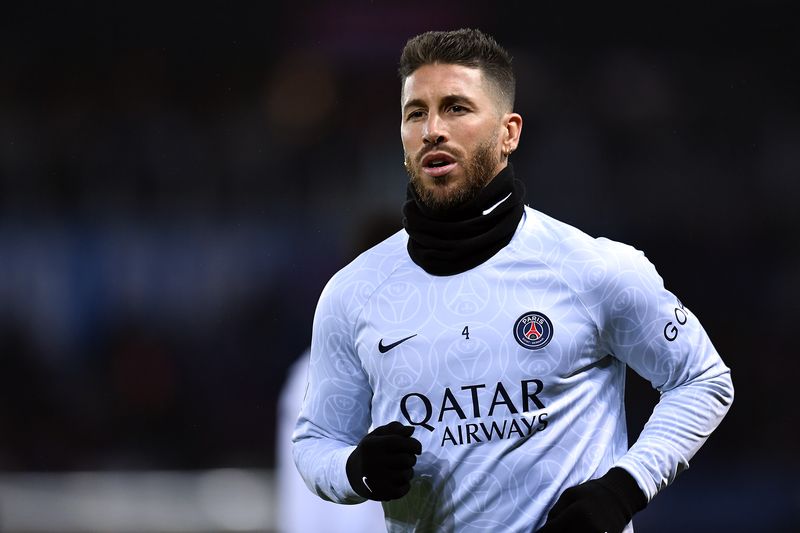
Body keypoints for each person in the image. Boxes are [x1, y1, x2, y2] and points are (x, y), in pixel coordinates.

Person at [293, 28, 733, 533]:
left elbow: (702, 380)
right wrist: (356, 470)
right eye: (416, 112)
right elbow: (316, 441)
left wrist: (623, 489)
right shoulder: (353, 294)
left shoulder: (590, 269)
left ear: (509, 133)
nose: (433, 129)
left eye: (456, 108)